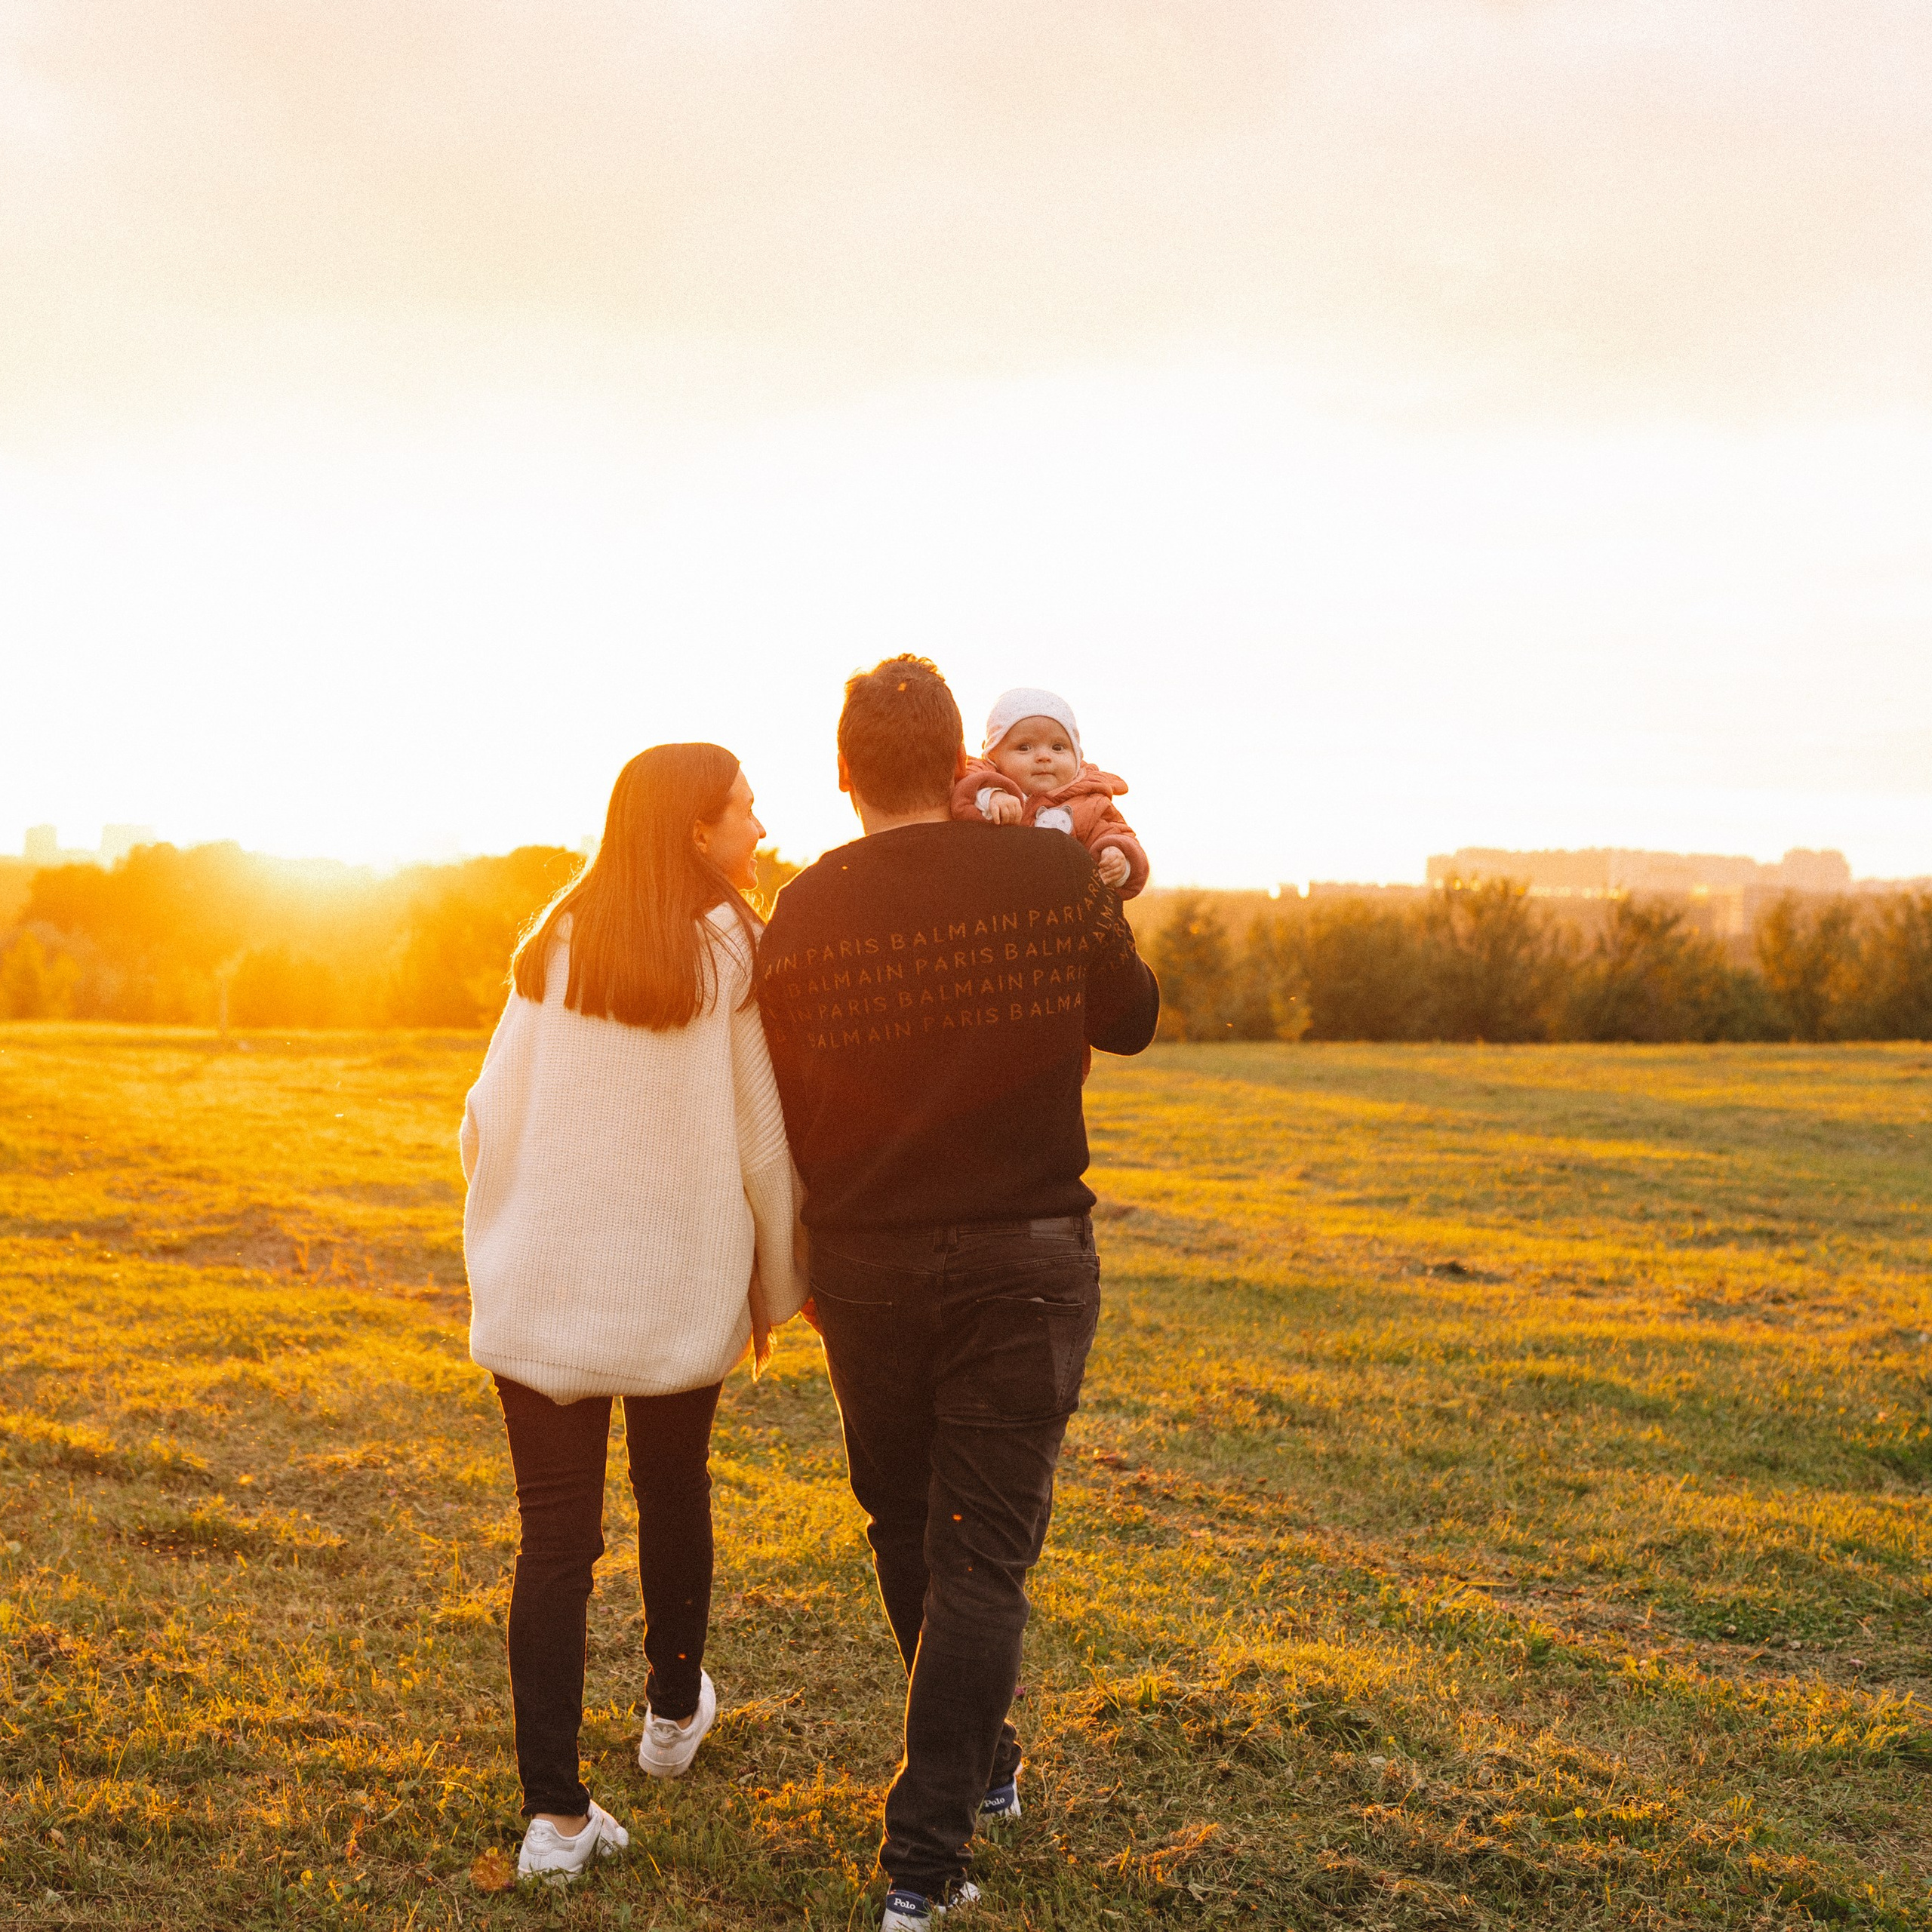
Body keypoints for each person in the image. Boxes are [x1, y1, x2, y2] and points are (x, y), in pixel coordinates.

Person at [757, 657, 1160, 1929]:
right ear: (958, 767)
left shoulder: (802, 910)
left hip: (866, 1265)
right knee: (980, 1553)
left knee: (904, 1521)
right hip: (1026, 1256)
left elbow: (781, 1100)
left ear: (841, 773)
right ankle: (927, 1863)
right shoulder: (1047, 873)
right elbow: (1132, 1018)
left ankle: (971, 1784)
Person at [460, 743, 807, 1883]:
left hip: (542, 1279)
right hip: (675, 1285)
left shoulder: (551, 939)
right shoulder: (730, 950)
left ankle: (554, 1818)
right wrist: (779, 1288)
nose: (759, 827)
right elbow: (763, 1146)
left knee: (555, 1540)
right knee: (673, 1490)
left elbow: (483, 1115)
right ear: (696, 830)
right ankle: (670, 1709)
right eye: (744, 809)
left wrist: (508, 1228)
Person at [951, 685, 1149, 898]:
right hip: (999, 904)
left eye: (1058, 747)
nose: (1044, 757)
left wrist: (1118, 860)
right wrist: (991, 795)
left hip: (1064, 908)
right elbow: (963, 794)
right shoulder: (983, 782)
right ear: (992, 755)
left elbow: (1117, 834)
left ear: (1077, 757)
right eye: (1024, 747)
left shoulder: (1090, 802)